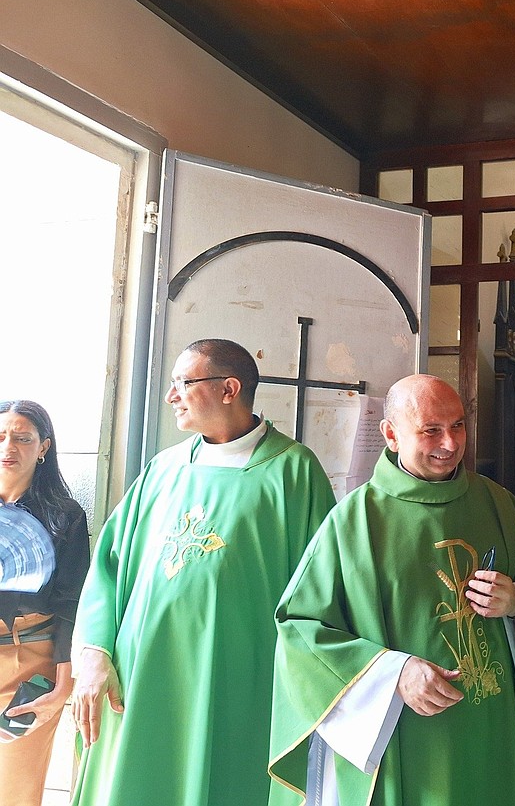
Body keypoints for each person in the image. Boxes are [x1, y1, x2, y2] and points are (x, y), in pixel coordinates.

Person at [269, 374, 515, 806]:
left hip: (492, 722)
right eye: (430, 430)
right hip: (408, 729)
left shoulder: (497, 503)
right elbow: (299, 629)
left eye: (458, 425)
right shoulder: (356, 521)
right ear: (390, 434)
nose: (450, 443)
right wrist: (393, 673)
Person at [69, 338, 336, 806]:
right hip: (139, 683)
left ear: (229, 388)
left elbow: (322, 588)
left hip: (237, 687)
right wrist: (94, 651)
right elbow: (107, 566)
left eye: (183, 384)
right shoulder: (163, 468)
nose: (172, 396)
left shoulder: (294, 472)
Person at [0, 400, 90, 806]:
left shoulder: (65, 517)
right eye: (1, 437)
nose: (9, 447)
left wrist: (62, 688)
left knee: (15, 789)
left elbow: (73, 607)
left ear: (43, 447)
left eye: (22, 438)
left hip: (27, 661)